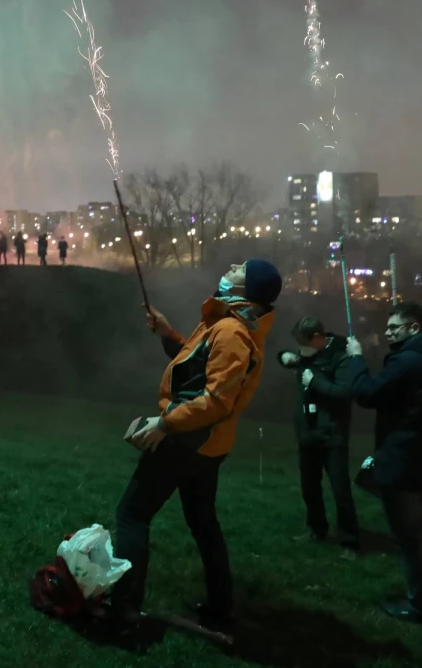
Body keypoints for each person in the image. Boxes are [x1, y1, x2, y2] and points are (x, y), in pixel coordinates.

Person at [110, 259, 283, 634]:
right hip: (207, 446)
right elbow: (196, 365)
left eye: (241, 268)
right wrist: (168, 333)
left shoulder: (233, 332)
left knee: (132, 515)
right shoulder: (227, 323)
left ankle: (124, 612)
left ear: (247, 290)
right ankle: (221, 607)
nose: (232, 266)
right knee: (203, 523)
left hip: (188, 441)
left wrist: (165, 424)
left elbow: (216, 401)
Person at [345, 301, 422, 622]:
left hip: (404, 463)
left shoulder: (410, 361)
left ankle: (420, 606)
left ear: (414, 327)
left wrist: (356, 357)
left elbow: (367, 393)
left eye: (394, 328)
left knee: (410, 538)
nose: (387, 332)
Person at [277, 316, 360, 559]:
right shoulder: (306, 354)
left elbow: (345, 392)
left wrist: (315, 381)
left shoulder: (341, 355)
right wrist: (284, 357)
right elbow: (287, 357)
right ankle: (316, 528)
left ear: (317, 338)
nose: (300, 350)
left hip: (332, 434)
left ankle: (350, 541)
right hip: (308, 432)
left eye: (303, 344)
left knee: (340, 490)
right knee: (309, 487)